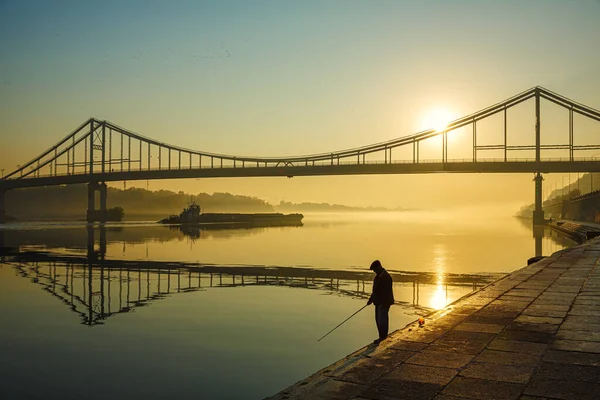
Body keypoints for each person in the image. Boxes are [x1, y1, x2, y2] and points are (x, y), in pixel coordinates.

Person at [367, 260, 394, 344]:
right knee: (378, 320)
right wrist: (371, 300)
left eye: (374, 269)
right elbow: (375, 291)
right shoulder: (378, 276)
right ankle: (381, 336)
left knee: (382, 320)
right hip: (378, 303)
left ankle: (383, 337)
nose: (374, 271)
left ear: (379, 267)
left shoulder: (385, 277)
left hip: (383, 303)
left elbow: (385, 292)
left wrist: (381, 302)